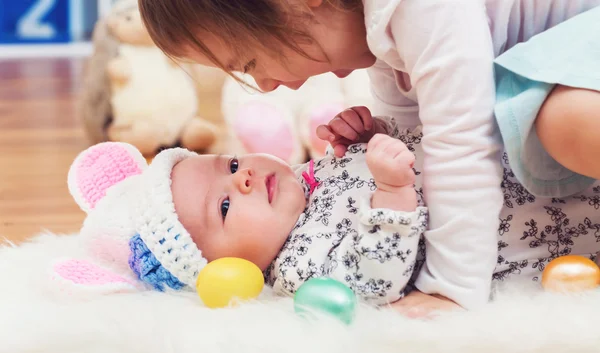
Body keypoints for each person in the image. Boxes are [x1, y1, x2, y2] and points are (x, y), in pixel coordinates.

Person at [136, 0, 600, 312]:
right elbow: (419, 131)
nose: (267, 86)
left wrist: (452, 291)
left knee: (563, 121)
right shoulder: (379, 37)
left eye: (252, 64)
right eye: (223, 206)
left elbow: (463, 140)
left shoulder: (419, 9)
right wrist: (378, 140)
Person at [67, 114, 433, 307]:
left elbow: (371, 165)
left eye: (231, 165)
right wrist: (393, 191)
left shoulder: (306, 180)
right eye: (224, 207)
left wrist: (367, 136)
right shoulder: (297, 267)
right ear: (228, 270)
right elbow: (373, 282)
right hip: (478, 215)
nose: (243, 177)